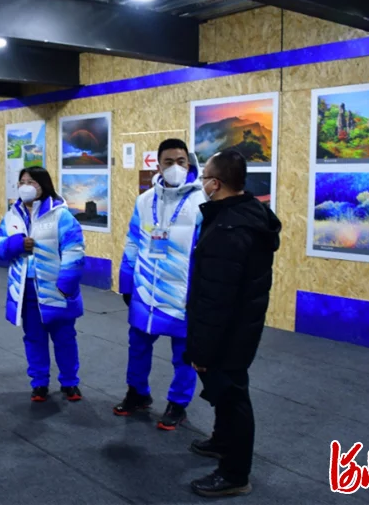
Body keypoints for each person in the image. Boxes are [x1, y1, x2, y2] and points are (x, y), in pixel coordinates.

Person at [185, 149, 281, 498]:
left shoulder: (230, 229)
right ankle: (222, 441)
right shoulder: (241, 214)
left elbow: (217, 298)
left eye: (204, 175)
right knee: (226, 393)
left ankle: (234, 473)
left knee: (232, 396)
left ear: (217, 183)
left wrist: (202, 348)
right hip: (239, 326)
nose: (201, 181)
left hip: (228, 332)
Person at [115, 139, 205, 431]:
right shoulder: (145, 200)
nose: (175, 167)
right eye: (169, 161)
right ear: (158, 164)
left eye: (181, 161)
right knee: (137, 347)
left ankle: (178, 405)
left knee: (185, 355)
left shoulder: (203, 200)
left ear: (188, 164)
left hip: (184, 293)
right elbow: (133, 241)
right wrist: (127, 282)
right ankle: (137, 393)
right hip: (147, 289)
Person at [0, 167, 85, 402]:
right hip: (26, 291)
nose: (25, 186)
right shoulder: (12, 215)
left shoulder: (60, 215)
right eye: (22, 181)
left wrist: (65, 287)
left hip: (57, 290)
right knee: (34, 339)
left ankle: (70, 382)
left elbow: (75, 251)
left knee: (64, 338)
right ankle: (39, 383)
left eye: (31, 181)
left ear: (43, 184)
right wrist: (16, 245)